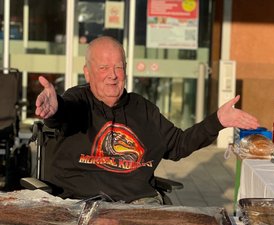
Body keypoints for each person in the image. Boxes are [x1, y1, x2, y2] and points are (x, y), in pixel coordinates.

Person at [35, 36, 259, 204]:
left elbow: (178, 145)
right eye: (103, 68)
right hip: (80, 205)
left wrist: (217, 120)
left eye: (118, 67)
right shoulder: (78, 101)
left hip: (138, 208)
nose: (112, 75)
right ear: (87, 72)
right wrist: (54, 110)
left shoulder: (143, 109)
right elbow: (62, 114)